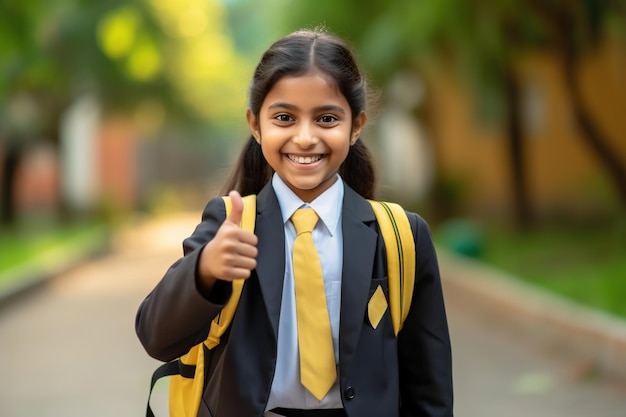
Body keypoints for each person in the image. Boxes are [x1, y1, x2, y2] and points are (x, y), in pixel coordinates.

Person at [136, 29, 453, 417]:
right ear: (256, 125)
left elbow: (429, 385)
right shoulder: (230, 225)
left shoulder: (401, 236)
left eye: (326, 118)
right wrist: (204, 271)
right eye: (284, 118)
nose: (305, 138)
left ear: (356, 126)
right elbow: (156, 337)